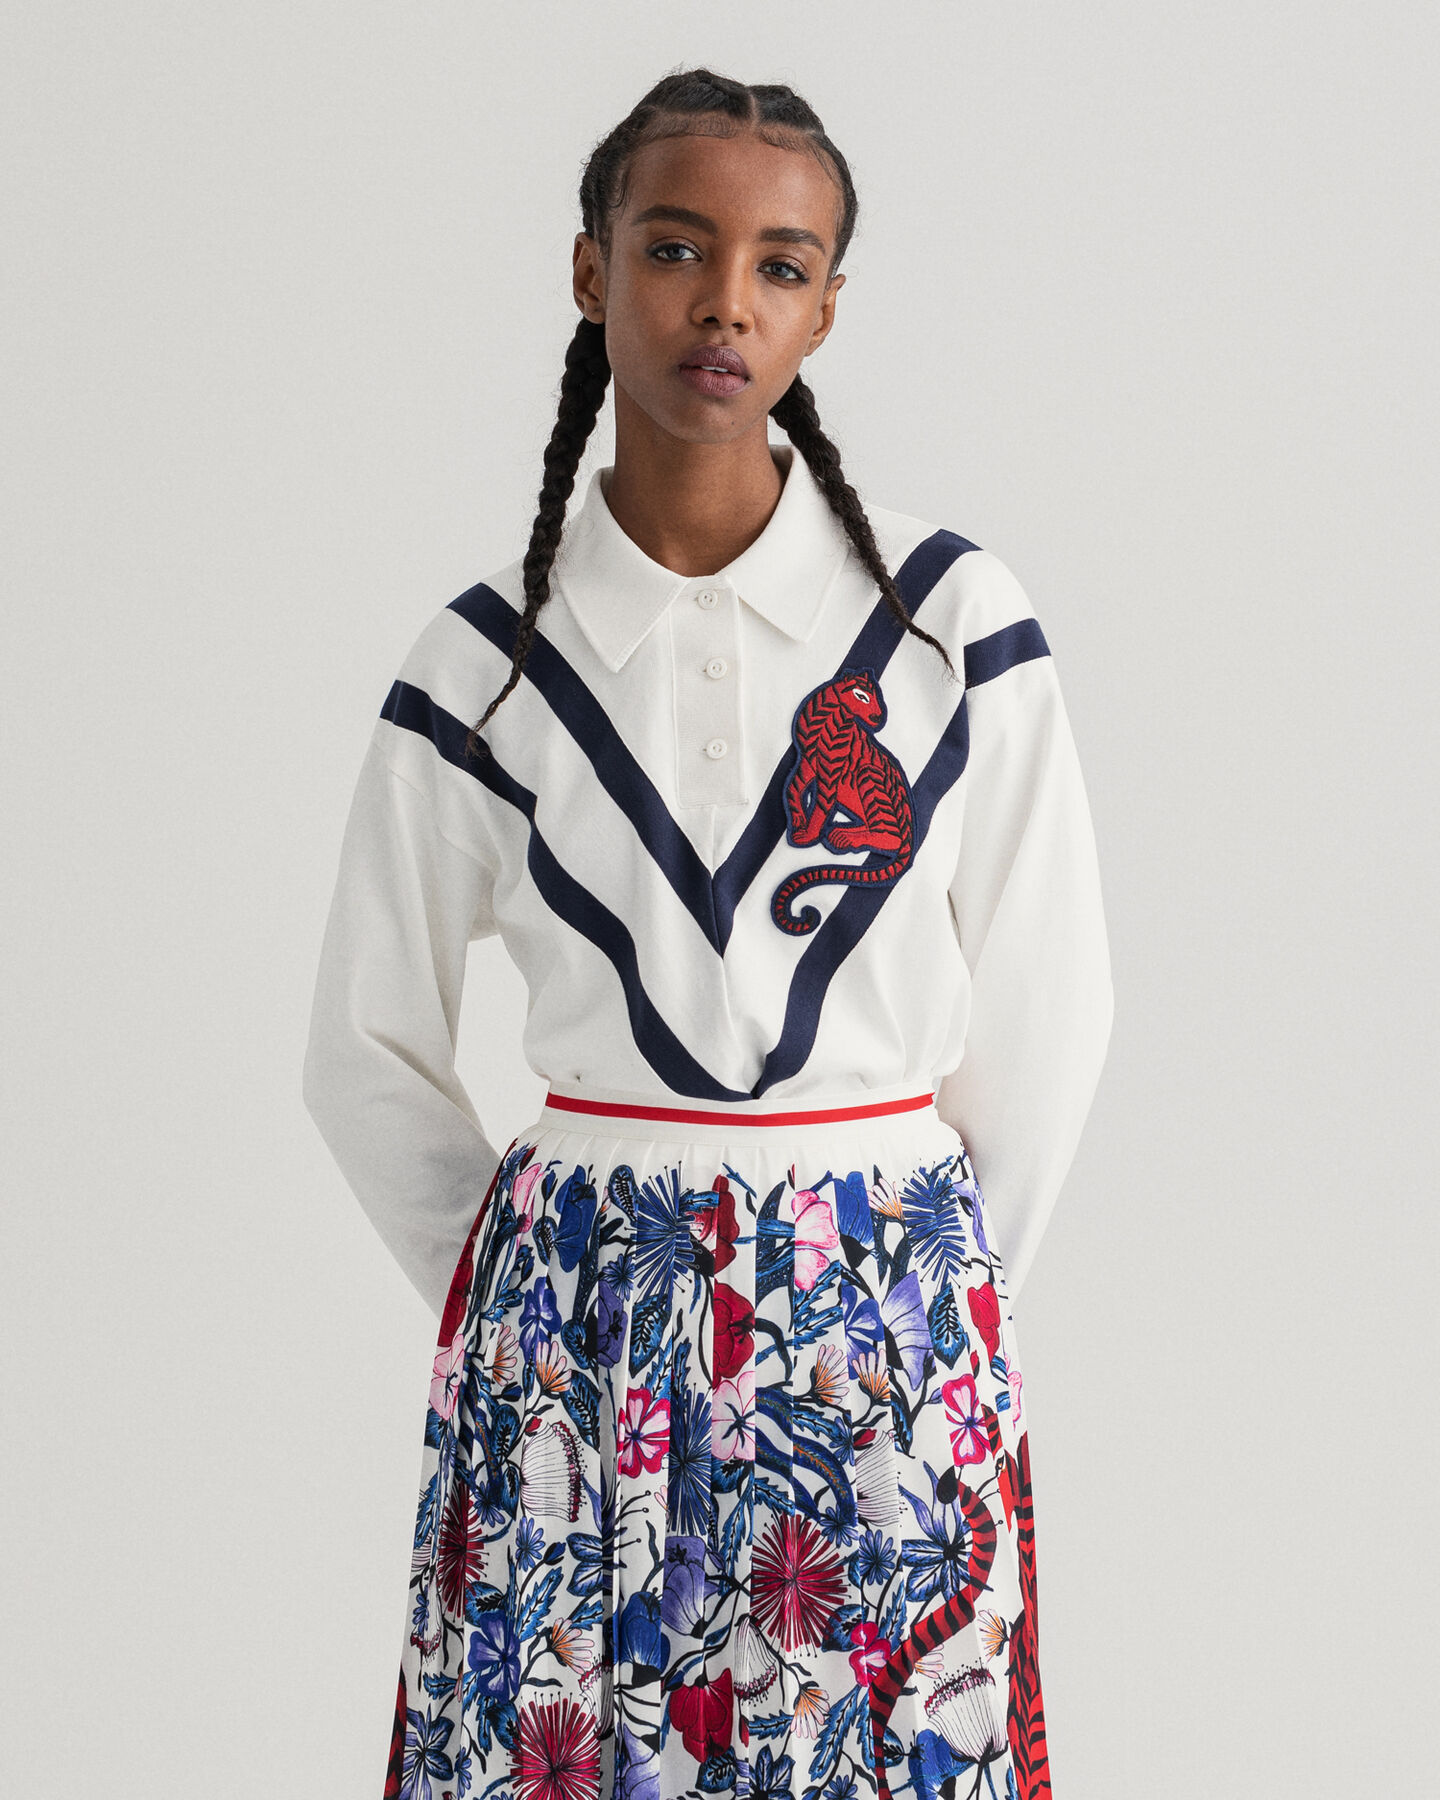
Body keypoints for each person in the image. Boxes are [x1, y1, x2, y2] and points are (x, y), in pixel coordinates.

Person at [303, 66, 1113, 1800]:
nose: (725, 302)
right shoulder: (484, 668)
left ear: (825, 308)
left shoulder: (950, 629)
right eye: (676, 248)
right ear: (590, 270)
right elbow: (362, 1044)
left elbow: (1053, 1006)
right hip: (576, 1350)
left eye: (779, 264)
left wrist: (927, 1290)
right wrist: (530, 1303)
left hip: (885, 1326)